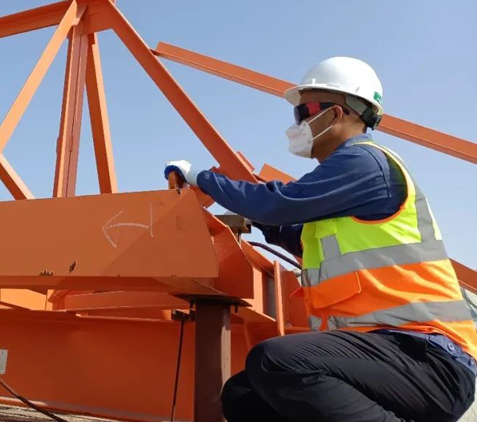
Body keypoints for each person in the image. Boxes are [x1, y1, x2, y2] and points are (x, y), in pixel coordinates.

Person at [164, 56, 477, 422]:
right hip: (387, 354)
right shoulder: (345, 191)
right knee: (243, 395)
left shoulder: (364, 162)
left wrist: (200, 177)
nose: (298, 123)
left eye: (304, 112)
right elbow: (290, 228)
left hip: (428, 355)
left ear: (337, 113)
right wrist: (251, 215)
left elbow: (279, 204)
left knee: (276, 361)